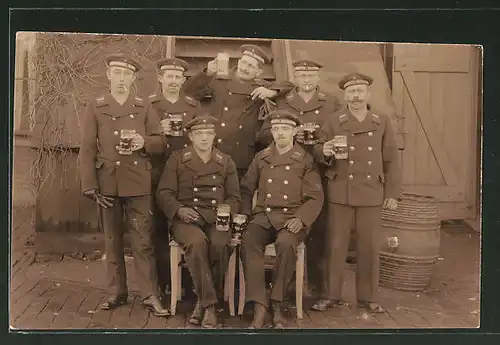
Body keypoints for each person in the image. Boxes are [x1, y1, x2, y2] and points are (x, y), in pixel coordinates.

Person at [79, 53, 170, 317]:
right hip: (108, 183)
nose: (121, 79)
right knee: (112, 240)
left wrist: (145, 143)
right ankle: (116, 291)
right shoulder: (96, 105)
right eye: (117, 73)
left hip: (138, 183)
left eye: (127, 74)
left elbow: (160, 142)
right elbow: (86, 148)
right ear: (109, 75)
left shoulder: (143, 106)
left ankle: (150, 294)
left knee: (143, 241)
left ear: (133, 78)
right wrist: (90, 185)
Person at [311, 72, 401, 313]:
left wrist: (392, 193)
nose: (356, 96)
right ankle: (330, 294)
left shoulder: (381, 120)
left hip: (372, 191)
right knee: (335, 245)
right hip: (340, 190)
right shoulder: (333, 120)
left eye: (360, 91)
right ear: (345, 95)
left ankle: (368, 297)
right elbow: (318, 150)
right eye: (351, 91)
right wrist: (325, 151)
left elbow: (391, 159)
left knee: (369, 246)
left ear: (368, 94)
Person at [258, 59, 342, 299]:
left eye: (311, 75)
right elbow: (264, 134)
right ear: (295, 78)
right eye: (302, 75)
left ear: (318, 78)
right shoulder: (283, 102)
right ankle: (290, 286)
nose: (306, 80)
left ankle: (318, 289)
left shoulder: (331, 103)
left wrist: (322, 145)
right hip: (288, 170)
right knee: (291, 233)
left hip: (320, 170)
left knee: (319, 232)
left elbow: (338, 134)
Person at [239, 110, 324, 328]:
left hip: (292, 217)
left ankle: (277, 303)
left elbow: (315, 196)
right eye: (276, 129)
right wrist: (245, 215)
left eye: (285, 129)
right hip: (264, 215)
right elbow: (247, 188)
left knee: (286, 243)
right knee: (249, 242)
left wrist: (301, 219)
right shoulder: (262, 157)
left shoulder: (305, 159)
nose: (280, 133)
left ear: (295, 131)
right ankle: (259, 305)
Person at [155, 115, 241, 328]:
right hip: (185, 219)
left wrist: (226, 210)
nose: (204, 138)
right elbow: (164, 193)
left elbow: (234, 197)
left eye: (209, 134)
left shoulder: (225, 161)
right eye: (199, 134)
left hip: (215, 218)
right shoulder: (177, 159)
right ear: (191, 137)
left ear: (214, 136)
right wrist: (179, 210)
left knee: (221, 244)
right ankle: (211, 306)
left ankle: (202, 304)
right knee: (196, 242)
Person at [183, 44, 294, 177]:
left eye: (251, 66)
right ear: (239, 62)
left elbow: (290, 86)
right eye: (244, 63)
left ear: (259, 72)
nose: (245, 68)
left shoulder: (260, 86)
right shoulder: (219, 79)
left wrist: (272, 91)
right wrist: (207, 73)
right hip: (214, 149)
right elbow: (188, 92)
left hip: (241, 155)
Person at [148, 57, 202, 302]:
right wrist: (158, 130)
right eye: (168, 76)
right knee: (156, 231)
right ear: (160, 78)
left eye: (177, 77)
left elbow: (201, 137)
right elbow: (139, 137)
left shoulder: (192, 106)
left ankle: (191, 285)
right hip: (155, 175)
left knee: (190, 229)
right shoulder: (149, 105)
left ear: (183, 80)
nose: (172, 81)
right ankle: (163, 284)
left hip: (184, 178)